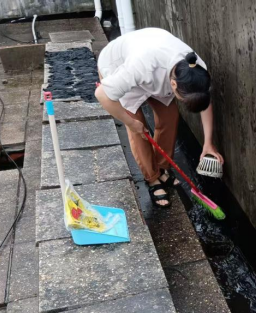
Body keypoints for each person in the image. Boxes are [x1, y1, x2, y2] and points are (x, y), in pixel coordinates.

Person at [95, 28, 223, 208]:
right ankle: (153, 178)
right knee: (138, 129)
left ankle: (162, 167)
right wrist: (131, 123)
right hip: (118, 64)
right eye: (183, 98)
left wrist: (208, 143)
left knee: (170, 116)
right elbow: (102, 95)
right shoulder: (140, 66)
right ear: (173, 84)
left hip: (154, 64)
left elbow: (204, 102)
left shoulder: (196, 70)